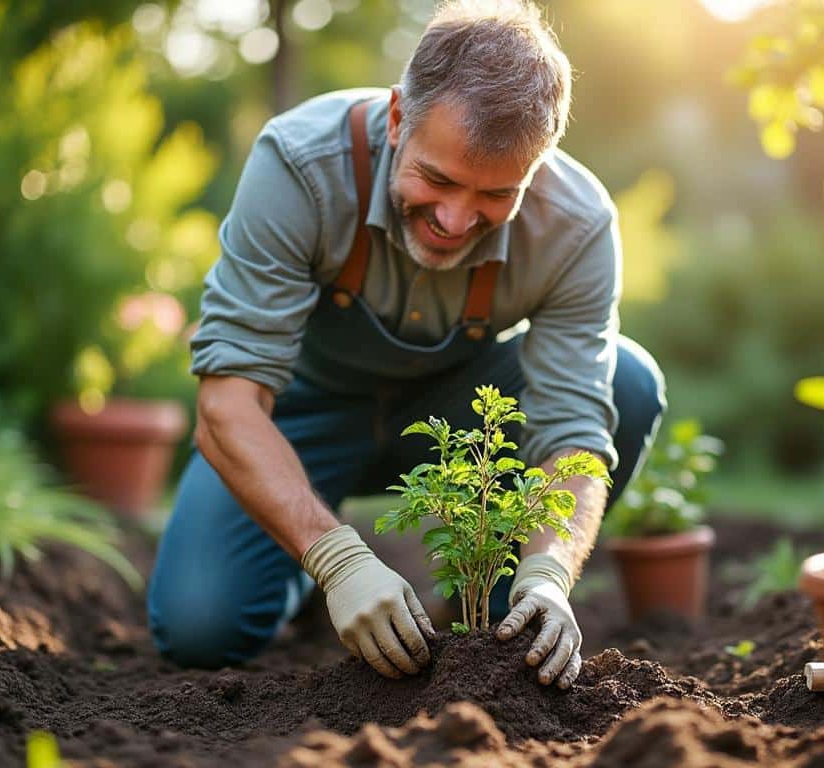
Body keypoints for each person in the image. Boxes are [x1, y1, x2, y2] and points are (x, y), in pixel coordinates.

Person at [148, 0, 665, 690]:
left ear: (536, 166)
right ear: (397, 118)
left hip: (458, 417)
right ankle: (311, 579)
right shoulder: (301, 164)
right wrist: (336, 559)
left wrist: (549, 572)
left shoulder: (576, 224)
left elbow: (573, 428)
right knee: (200, 630)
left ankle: (490, 624)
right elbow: (228, 401)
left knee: (627, 382)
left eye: (494, 195)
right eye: (439, 179)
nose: (456, 218)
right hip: (302, 414)